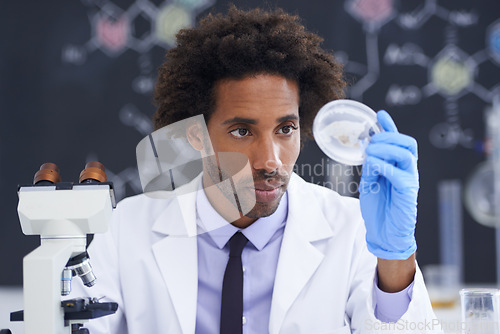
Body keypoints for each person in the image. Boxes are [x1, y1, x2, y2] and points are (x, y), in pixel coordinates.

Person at [70, 6, 441, 334]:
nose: (271, 160)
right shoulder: (124, 231)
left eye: (286, 129)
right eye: (242, 131)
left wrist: (395, 258)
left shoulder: (352, 230)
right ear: (197, 135)